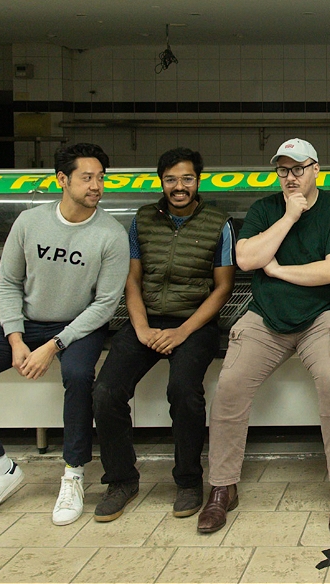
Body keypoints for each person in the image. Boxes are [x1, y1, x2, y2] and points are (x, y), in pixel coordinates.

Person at [0, 143, 129, 526]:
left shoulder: (111, 234)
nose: (96, 186)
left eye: (101, 178)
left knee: (78, 376)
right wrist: (15, 338)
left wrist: (52, 346)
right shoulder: (29, 223)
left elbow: (105, 305)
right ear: (62, 180)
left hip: (79, 324)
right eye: (87, 177)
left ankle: (74, 473)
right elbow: (8, 281)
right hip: (27, 322)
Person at [196, 137, 330, 535]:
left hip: (325, 315)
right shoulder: (265, 208)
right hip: (266, 317)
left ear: (316, 169)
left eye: (298, 169)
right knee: (230, 386)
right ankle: (222, 486)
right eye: (283, 170)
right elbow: (247, 258)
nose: (290, 177)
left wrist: (280, 270)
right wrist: (288, 217)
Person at [92, 147, 236, 522]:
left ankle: (188, 481)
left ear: (198, 181)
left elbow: (222, 288)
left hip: (195, 323)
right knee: (106, 391)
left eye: (187, 178)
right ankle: (121, 479)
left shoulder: (219, 223)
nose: (179, 186)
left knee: (184, 391)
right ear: (161, 182)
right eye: (171, 179)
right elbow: (133, 279)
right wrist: (140, 327)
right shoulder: (142, 220)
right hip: (146, 319)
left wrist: (182, 331)